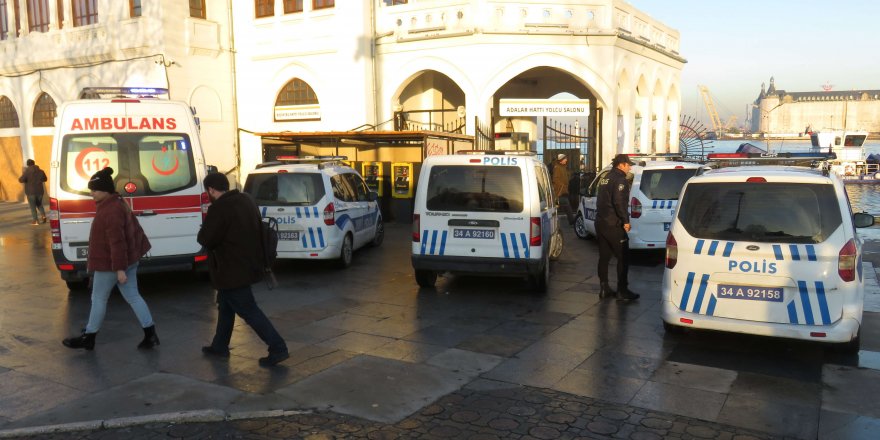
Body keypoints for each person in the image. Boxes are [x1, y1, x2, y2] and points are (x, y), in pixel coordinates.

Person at [62, 167, 160, 350]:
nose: (91, 194)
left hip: (112, 264)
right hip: (126, 261)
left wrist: (120, 269)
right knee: (133, 296)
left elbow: (117, 242)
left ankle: (89, 337)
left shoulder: (110, 210)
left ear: (105, 190)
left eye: (95, 190)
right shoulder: (117, 203)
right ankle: (150, 334)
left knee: (98, 298)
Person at [198, 172, 289, 366]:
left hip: (230, 270)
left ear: (211, 190)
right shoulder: (245, 200)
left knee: (249, 310)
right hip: (248, 264)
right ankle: (220, 345)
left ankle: (278, 347)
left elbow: (205, 239)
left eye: (208, 191)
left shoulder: (219, 208)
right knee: (225, 305)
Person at [595, 154, 640, 302]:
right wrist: (625, 221)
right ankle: (622, 290)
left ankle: (604, 288)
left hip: (601, 222)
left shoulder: (605, 177)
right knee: (623, 257)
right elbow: (619, 202)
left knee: (604, 257)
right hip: (613, 224)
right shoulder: (620, 179)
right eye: (628, 165)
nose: (630, 167)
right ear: (621, 165)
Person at [18, 159, 47, 225]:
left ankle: (35, 221)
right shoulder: (41, 171)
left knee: (33, 206)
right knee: (39, 204)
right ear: (34, 163)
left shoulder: (27, 172)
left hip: (31, 192)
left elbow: (21, 180)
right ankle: (43, 216)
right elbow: (45, 179)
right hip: (40, 191)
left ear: (28, 165)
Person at [551, 153, 575, 225]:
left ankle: (554, 221)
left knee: (560, 207)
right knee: (565, 206)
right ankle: (571, 221)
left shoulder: (563, 167)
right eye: (565, 159)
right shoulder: (557, 168)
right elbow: (555, 179)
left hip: (563, 191)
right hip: (559, 192)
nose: (566, 160)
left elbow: (565, 178)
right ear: (561, 160)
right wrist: (562, 186)